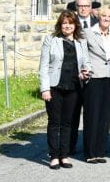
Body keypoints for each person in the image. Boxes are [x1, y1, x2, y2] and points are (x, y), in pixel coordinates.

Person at [39, 10, 91, 169]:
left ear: (75, 25)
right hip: (55, 87)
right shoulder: (51, 40)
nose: (67, 26)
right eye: (64, 23)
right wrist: (44, 89)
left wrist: (86, 71)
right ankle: (54, 156)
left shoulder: (81, 41)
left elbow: (86, 62)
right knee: (55, 122)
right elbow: (43, 67)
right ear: (60, 25)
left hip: (74, 87)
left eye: (70, 23)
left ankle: (65, 155)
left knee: (68, 123)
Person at [82, 5, 110, 163]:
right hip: (94, 77)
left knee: (105, 115)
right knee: (92, 114)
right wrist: (84, 70)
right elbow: (82, 54)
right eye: (104, 16)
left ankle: (101, 151)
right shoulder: (88, 32)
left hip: (109, 78)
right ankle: (90, 152)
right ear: (99, 17)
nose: (106, 19)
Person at [67, 0, 99, 156]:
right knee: (72, 114)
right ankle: (69, 147)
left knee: (92, 114)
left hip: (94, 76)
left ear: (91, 7)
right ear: (76, 7)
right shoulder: (69, 24)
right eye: (80, 6)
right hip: (74, 76)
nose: (83, 9)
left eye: (86, 6)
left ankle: (91, 147)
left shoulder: (98, 23)